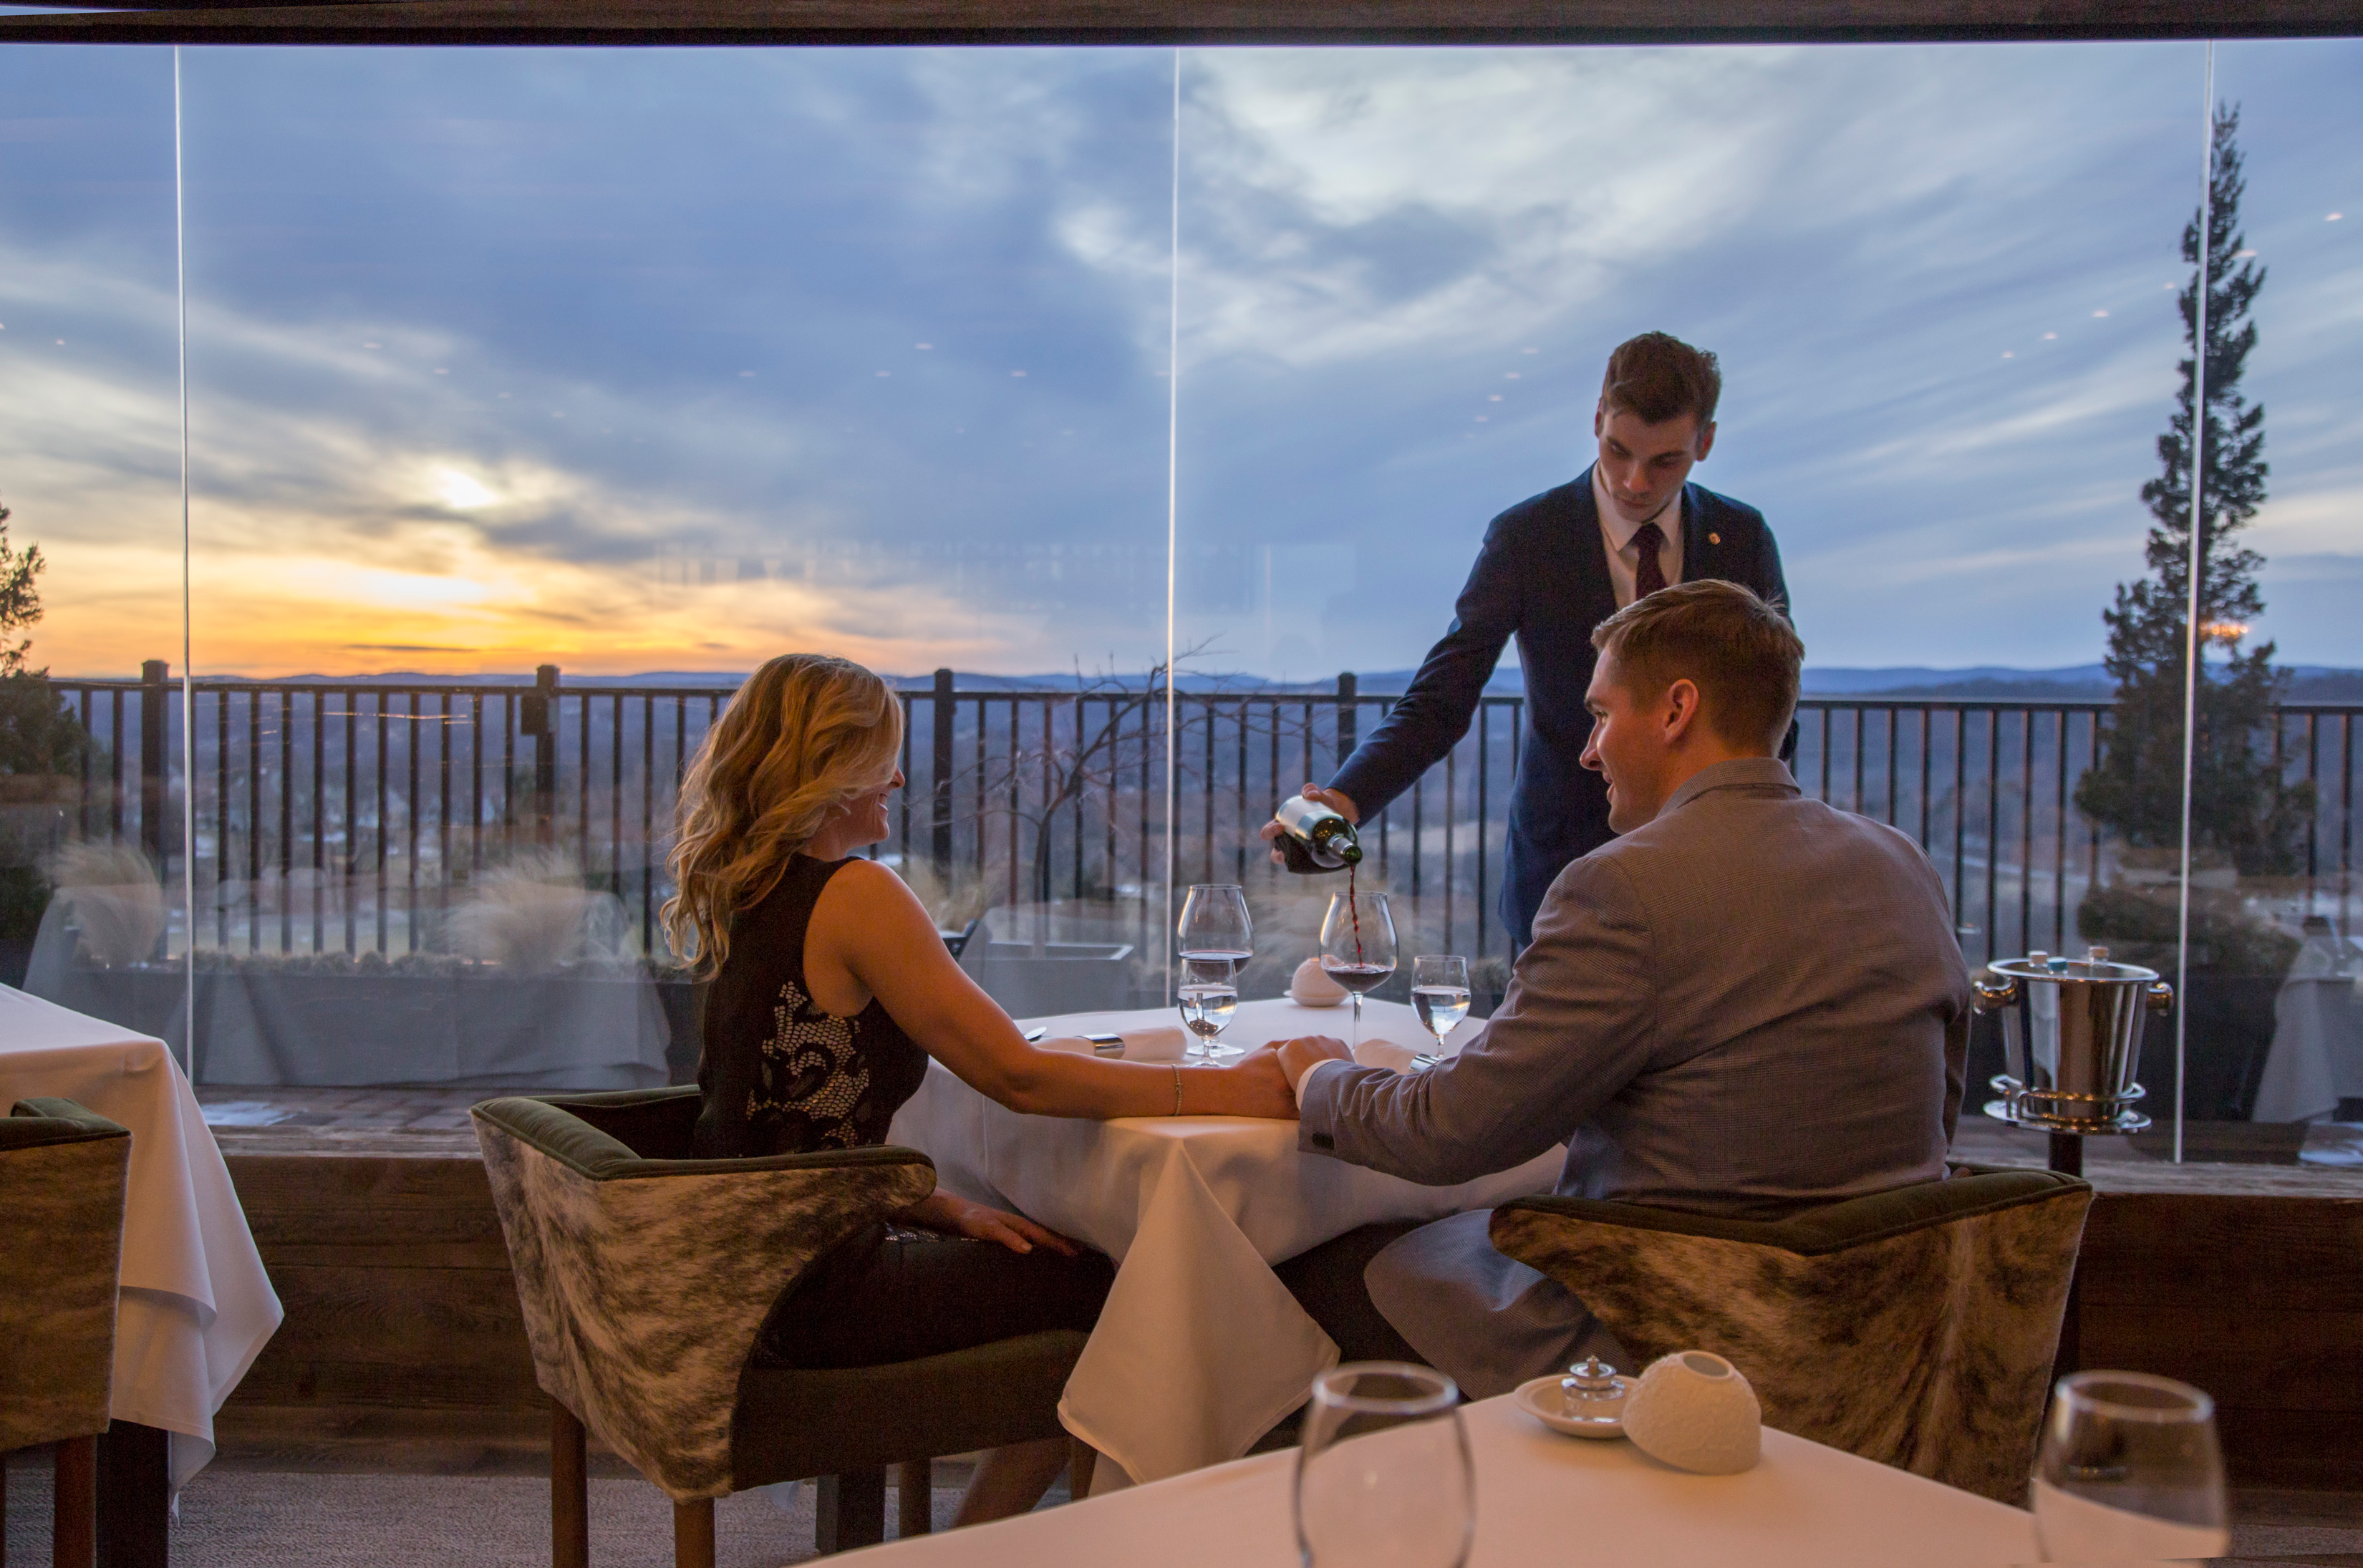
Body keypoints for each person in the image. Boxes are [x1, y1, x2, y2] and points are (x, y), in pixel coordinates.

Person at [1269, 582, 1970, 1398]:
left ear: (1677, 710)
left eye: (1601, 715)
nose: (1587, 750)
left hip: (1661, 1341)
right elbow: (1937, 1118)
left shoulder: (1623, 888)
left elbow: (1450, 1133)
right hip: (1870, 1350)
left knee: (1304, 1271)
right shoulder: (1902, 862)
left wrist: (1322, 1077)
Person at [666, 653, 1295, 1524]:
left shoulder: (749, 887)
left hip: (743, 1277)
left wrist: (931, 1207)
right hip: (812, 1300)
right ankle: (1006, 1544)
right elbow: (1017, 1075)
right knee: (1122, 1290)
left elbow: (771, 1116)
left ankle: (973, 1539)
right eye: (881, 756)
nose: (895, 776)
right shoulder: (856, 897)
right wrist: (1240, 1090)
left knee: (1062, 1262)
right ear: (832, 767)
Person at [1261, 331, 1789, 952]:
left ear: (1706, 442)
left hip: (1707, 867)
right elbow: (1444, 693)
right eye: (1618, 450)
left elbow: (1771, 707)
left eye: (1664, 461)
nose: (1634, 481)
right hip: (1563, 863)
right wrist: (1347, 798)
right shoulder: (1529, 537)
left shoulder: (1742, 535)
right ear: (1597, 420)